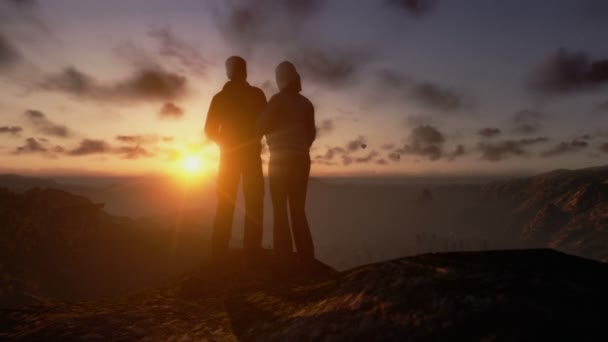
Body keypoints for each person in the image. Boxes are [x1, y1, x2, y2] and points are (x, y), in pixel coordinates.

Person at [204, 56, 267, 261]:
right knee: (254, 201)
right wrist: (254, 139)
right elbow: (265, 124)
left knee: (225, 203)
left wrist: (226, 144)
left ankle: (218, 253)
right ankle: (253, 249)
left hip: (229, 157)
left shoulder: (220, 98)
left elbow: (209, 130)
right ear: (245, 71)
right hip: (251, 155)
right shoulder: (257, 95)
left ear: (229, 72)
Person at [257, 61, 316, 262]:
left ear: (281, 79)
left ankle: (283, 256)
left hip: (280, 159)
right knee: (298, 210)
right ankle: (306, 257)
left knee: (280, 209)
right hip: (302, 158)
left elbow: (260, 127)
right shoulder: (307, 104)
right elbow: (311, 135)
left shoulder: (277, 101)